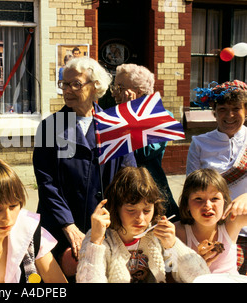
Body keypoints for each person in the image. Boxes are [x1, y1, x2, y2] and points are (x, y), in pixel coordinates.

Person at [33, 57, 136, 279]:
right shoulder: (51, 127)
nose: (68, 90)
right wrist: (67, 224)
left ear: (95, 86)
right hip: (61, 230)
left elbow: (129, 179)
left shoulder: (115, 126)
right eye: (64, 84)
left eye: (75, 84)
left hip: (107, 228)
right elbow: (46, 182)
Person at [76, 167, 210, 283]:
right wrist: (95, 244)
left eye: (147, 210)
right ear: (116, 208)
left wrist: (174, 245)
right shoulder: (100, 236)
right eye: (130, 210)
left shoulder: (157, 235)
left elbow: (200, 277)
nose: (140, 218)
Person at [187, 80, 247, 274]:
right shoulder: (199, 143)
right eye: (222, 109)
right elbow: (192, 190)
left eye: (236, 108)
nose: (229, 115)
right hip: (216, 232)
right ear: (214, 111)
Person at [112, 63, 179, 220]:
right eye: (114, 87)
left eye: (120, 87)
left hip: (150, 190)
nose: (115, 93)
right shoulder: (113, 115)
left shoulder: (161, 116)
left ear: (138, 91)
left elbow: (143, 152)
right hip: (121, 191)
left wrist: (128, 114)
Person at [175, 168, 247, 274]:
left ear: (225, 202)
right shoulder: (177, 231)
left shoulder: (231, 224)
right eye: (198, 199)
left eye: (215, 199)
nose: (207, 205)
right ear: (186, 205)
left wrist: (245, 197)